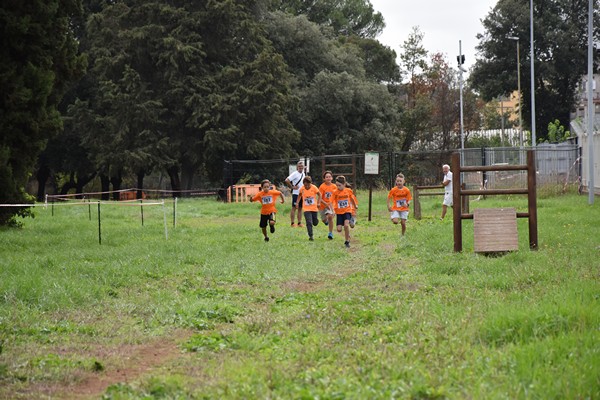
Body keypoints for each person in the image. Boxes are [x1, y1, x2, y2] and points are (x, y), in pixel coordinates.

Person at [330, 175, 358, 248]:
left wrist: (355, 206)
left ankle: (347, 241)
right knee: (339, 229)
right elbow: (330, 202)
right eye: (337, 185)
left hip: (347, 211)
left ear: (344, 184)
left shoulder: (348, 191)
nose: (338, 187)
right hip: (339, 212)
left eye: (339, 185)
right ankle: (347, 234)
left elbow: (352, 199)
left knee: (346, 225)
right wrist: (332, 210)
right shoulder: (335, 192)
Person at [298, 176, 321, 241]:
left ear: (310, 183)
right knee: (309, 222)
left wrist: (318, 202)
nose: (307, 186)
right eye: (305, 185)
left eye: (308, 185)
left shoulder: (314, 188)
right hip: (306, 209)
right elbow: (299, 195)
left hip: (314, 208)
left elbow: (320, 195)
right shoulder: (302, 189)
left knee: (315, 223)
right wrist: (297, 203)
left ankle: (316, 221)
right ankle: (311, 236)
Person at [285, 161, 305, 227]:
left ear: (303, 167)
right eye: (299, 166)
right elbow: (287, 180)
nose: (300, 167)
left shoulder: (303, 174)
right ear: (297, 167)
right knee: (294, 208)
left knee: (300, 208)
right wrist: (292, 187)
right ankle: (292, 223)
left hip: (302, 194)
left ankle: (299, 223)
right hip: (296, 194)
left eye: (302, 166)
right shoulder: (295, 174)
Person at [318, 170, 336, 240]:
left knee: (330, 217)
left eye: (329, 177)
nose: (328, 178)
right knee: (324, 219)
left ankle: (330, 233)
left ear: (332, 178)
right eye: (326, 177)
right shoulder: (322, 187)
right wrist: (325, 204)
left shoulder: (334, 186)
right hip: (323, 205)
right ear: (324, 178)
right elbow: (320, 197)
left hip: (331, 205)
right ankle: (325, 222)